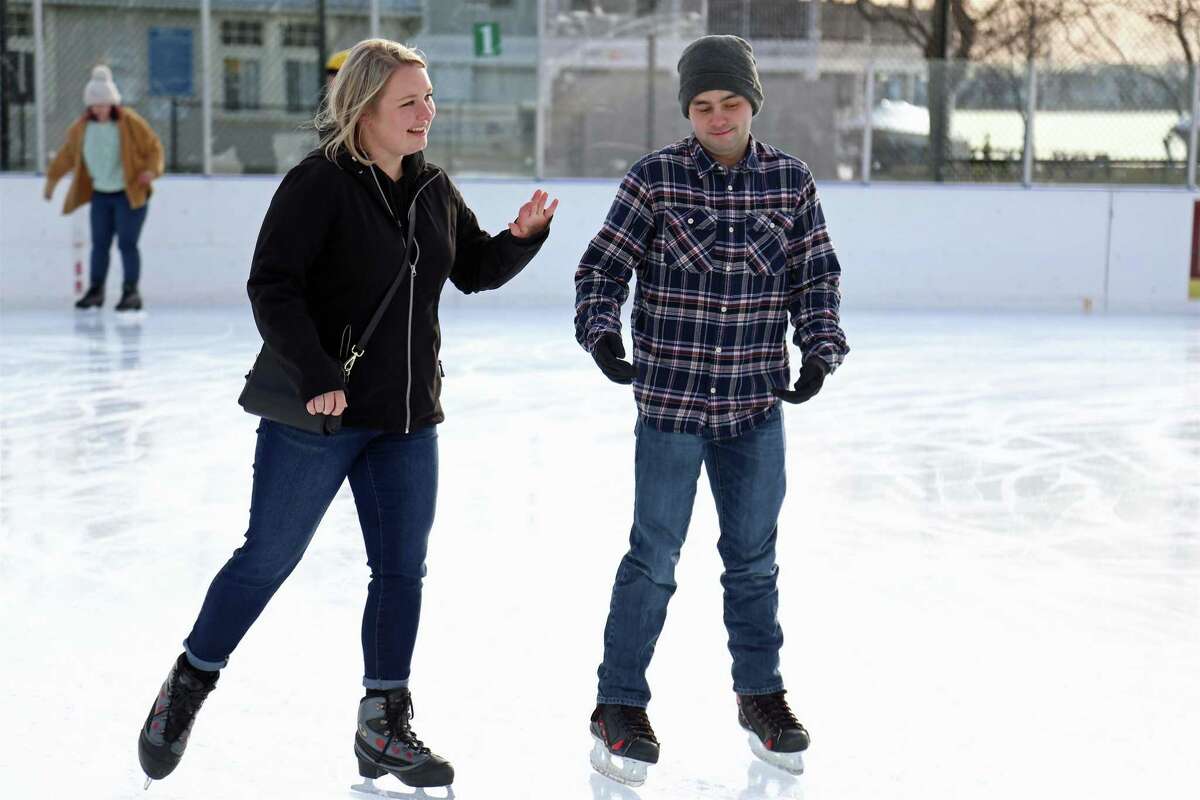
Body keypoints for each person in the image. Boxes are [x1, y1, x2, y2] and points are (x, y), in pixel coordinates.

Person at [136, 39, 558, 792]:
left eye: (429, 98)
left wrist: (523, 239)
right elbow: (273, 286)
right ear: (365, 110)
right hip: (318, 417)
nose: (427, 113)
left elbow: (474, 270)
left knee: (401, 570)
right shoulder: (318, 184)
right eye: (410, 102)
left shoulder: (433, 190)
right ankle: (188, 684)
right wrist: (317, 374)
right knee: (266, 558)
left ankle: (382, 727)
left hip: (406, 418)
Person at [574, 35, 849, 785]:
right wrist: (601, 336)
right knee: (654, 558)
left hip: (754, 409)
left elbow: (815, 279)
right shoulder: (656, 180)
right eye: (703, 106)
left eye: (730, 103)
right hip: (671, 405)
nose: (718, 117)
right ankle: (618, 703)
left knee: (753, 562)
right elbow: (602, 268)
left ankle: (761, 695)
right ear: (687, 110)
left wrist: (819, 348)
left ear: (751, 103)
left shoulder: (789, 183)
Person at [44, 65, 163, 311]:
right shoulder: (81, 128)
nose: (99, 109)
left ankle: (131, 292)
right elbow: (67, 156)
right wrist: (52, 182)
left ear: (112, 103)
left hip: (129, 195)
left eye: (103, 104)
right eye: (94, 105)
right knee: (99, 244)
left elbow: (154, 147)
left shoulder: (130, 122)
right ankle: (96, 290)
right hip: (100, 195)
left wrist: (151, 171)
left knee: (127, 244)